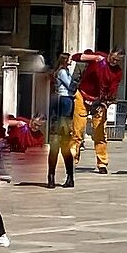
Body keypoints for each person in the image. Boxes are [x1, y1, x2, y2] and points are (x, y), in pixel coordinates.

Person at [45, 59, 79, 189]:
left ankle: (55, 178)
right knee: (59, 148)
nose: (71, 62)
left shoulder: (63, 73)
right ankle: (60, 177)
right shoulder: (63, 73)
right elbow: (71, 86)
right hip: (63, 110)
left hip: (62, 113)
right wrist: (76, 83)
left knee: (58, 149)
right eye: (69, 59)